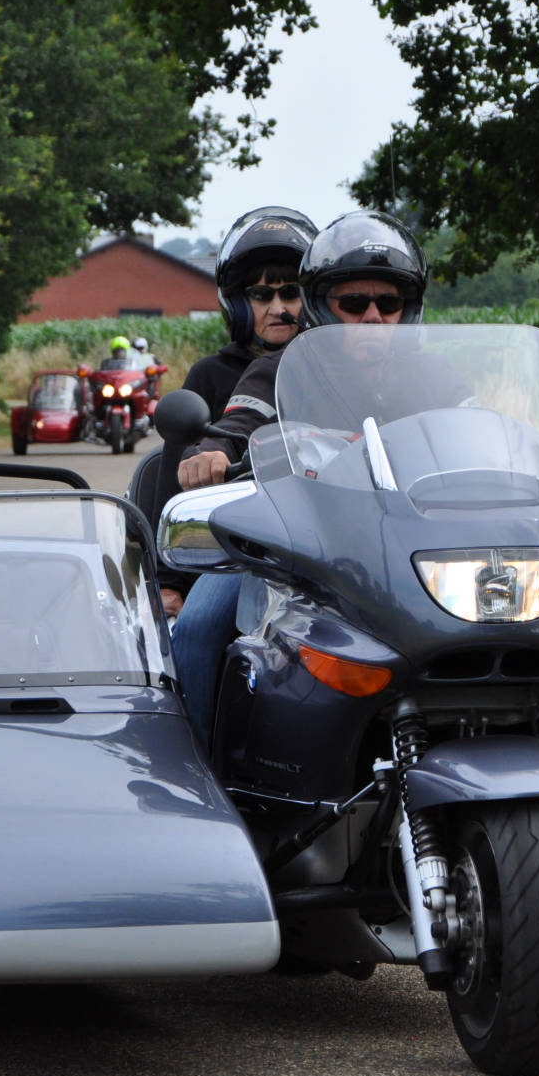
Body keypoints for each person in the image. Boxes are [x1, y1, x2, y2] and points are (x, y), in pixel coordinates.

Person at [170, 209, 428, 749]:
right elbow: (237, 423)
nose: (373, 317)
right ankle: (195, 766)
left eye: (388, 304)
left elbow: (478, 428)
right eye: (354, 304)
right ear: (324, 306)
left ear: (408, 309)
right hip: (290, 549)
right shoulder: (282, 368)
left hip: (398, 545)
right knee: (197, 626)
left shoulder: (430, 374)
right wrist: (211, 452)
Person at [143, 205, 317, 615]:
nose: (278, 307)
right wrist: (169, 583)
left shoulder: (328, 370)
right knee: (198, 626)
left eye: (291, 293)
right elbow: (174, 478)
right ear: (237, 303)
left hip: (322, 547)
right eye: (261, 295)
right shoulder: (211, 375)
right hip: (237, 555)